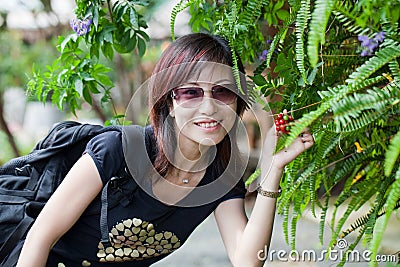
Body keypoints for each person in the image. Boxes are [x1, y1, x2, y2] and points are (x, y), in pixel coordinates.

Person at [16, 33, 314, 267]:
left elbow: (247, 260)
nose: (208, 107)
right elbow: (40, 238)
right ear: (169, 102)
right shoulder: (116, 150)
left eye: (223, 91)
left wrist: (273, 169)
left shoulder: (221, 177)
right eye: (190, 92)